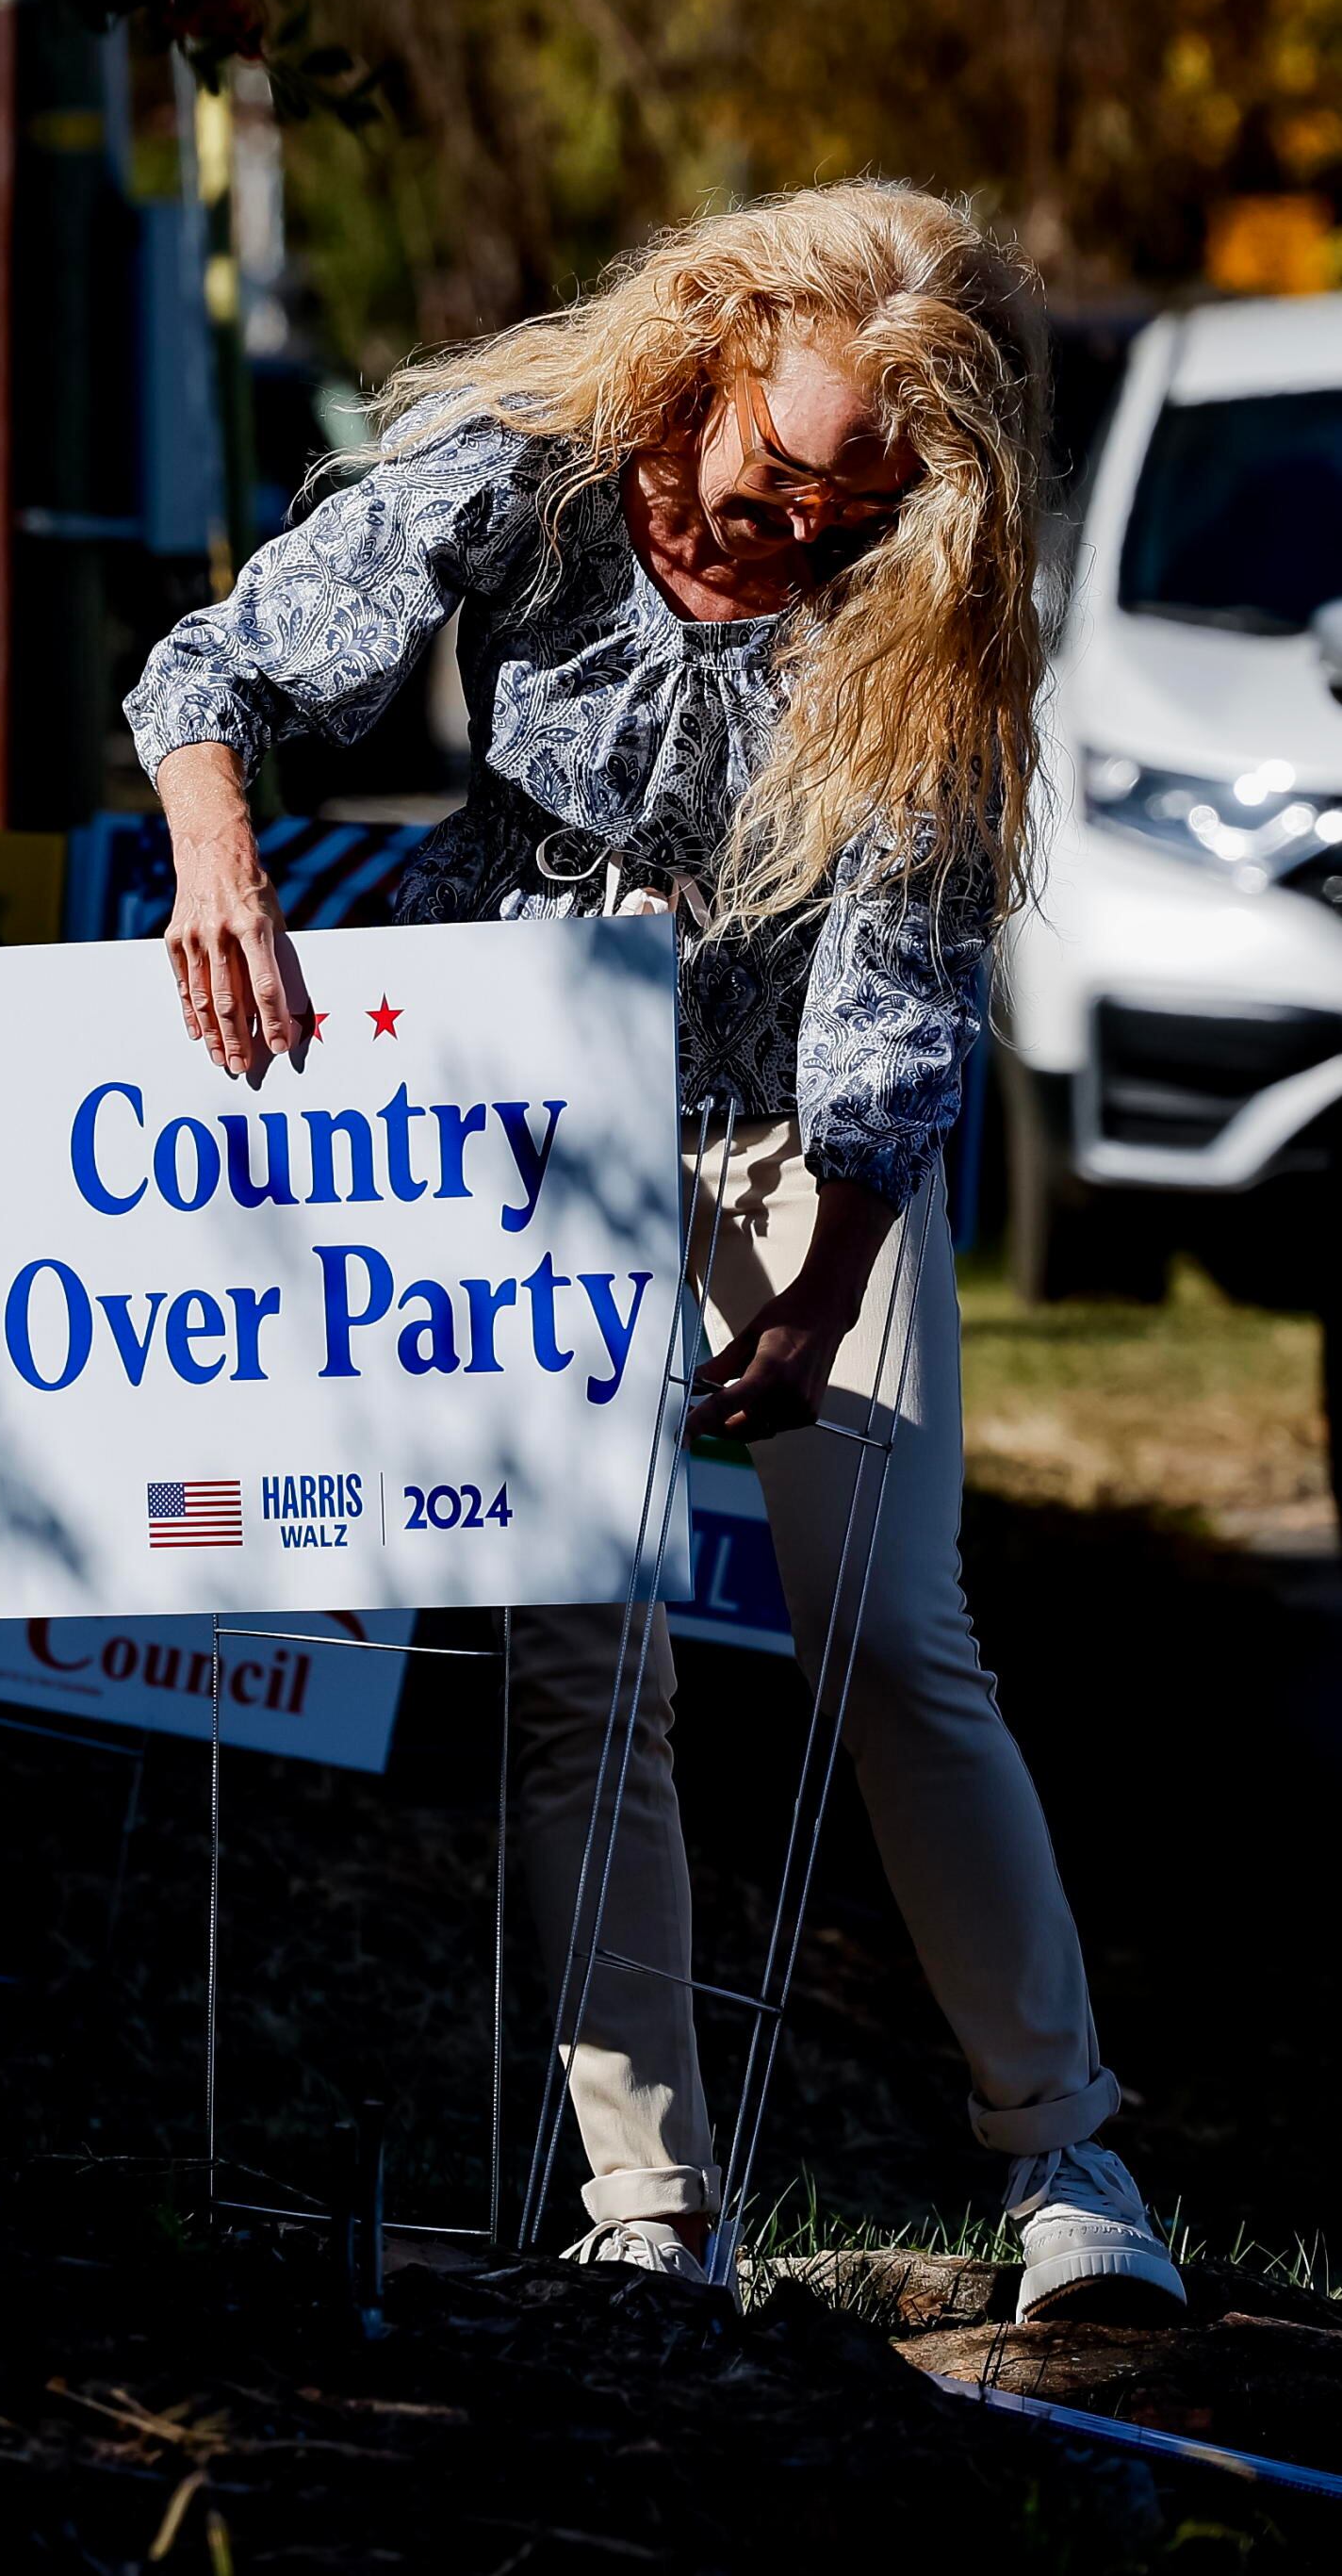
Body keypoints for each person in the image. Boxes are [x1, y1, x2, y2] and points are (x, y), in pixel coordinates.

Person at [123, 180, 1177, 2320]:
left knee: (887, 1620)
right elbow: (219, 666)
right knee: (577, 1665)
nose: (799, 532)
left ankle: (1069, 2160)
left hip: (806, 1111)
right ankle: (647, 2207)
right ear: (716, 339)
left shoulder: (915, 595)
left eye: (854, 505)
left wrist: (823, 1272)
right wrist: (214, 851)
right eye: (783, 475)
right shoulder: (524, 466)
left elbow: (903, 968)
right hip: (527, 1070)